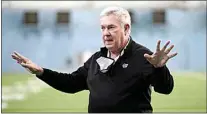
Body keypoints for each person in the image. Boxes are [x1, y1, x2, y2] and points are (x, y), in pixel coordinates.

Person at [11, 6, 178, 113]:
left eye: (111, 27)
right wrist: (41, 72)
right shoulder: (97, 58)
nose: (105, 33)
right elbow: (72, 83)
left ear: (126, 28)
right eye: (103, 28)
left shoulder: (144, 57)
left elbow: (165, 88)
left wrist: (159, 68)